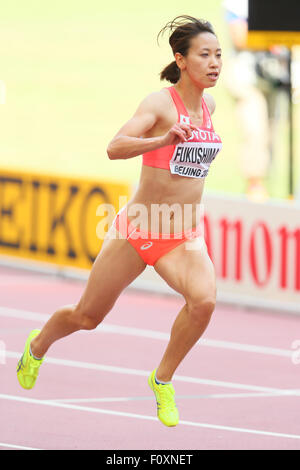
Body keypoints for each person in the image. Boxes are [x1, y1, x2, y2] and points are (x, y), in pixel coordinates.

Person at [16, 15, 223, 428]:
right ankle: (37, 346)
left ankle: (161, 379)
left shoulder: (211, 106)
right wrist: (162, 140)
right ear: (181, 60)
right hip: (138, 228)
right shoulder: (159, 104)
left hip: (181, 237)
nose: (215, 62)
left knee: (203, 302)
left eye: (219, 55)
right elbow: (115, 147)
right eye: (205, 55)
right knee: (86, 318)